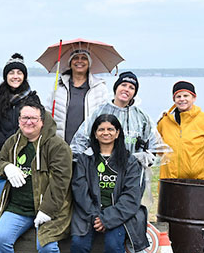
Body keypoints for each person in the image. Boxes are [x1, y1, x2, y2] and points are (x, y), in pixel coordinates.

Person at [0, 97, 73, 253]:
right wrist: (7, 167)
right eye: (24, 118)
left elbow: (61, 183)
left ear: (42, 121)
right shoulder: (13, 142)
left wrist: (47, 210)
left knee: (47, 247)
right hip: (17, 208)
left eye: (33, 118)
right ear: (19, 120)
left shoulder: (57, 146)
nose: (28, 122)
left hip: (49, 209)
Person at [70, 114, 149, 253]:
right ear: (95, 134)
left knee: (114, 246)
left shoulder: (129, 161)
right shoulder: (85, 159)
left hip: (117, 216)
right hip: (88, 214)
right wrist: (95, 217)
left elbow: (131, 196)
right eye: (101, 129)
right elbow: (79, 189)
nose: (106, 133)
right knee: (77, 244)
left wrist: (108, 218)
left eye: (110, 129)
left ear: (117, 133)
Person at [70, 71, 169, 210]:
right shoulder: (100, 112)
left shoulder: (141, 117)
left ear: (135, 93)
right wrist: (79, 163)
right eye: (123, 85)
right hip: (102, 174)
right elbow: (80, 140)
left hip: (130, 176)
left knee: (124, 210)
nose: (126, 89)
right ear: (116, 88)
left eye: (131, 87)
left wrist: (142, 159)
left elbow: (156, 147)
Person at [0, 53, 40, 200]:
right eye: (11, 73)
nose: (15, 76)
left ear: (24, 76)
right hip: (3, 153)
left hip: (27, 153)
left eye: (19, 73)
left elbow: (36, 127)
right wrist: (8, 148)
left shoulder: (32, 99)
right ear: (6, 76)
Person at [156, 81, 204, 180]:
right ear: (174, 99)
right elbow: (158, 148)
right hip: (170, 181)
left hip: (200, 182)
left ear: (194, 98)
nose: (182, 99)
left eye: (186, 95)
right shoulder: (164, 121)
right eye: (178, 96)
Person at [50, 48, 110, 144]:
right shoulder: (58, 86)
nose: (79, 61)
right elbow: (49, 112)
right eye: (75, 58)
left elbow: (105, 117)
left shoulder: (99, 88)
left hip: (88, 145)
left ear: (89, 63)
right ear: (70, 63)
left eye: (84, 58)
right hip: (60, 144)